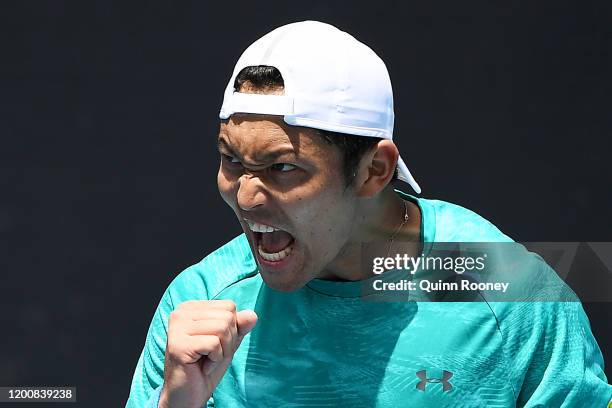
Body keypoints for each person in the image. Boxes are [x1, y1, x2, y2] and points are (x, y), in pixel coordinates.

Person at [126, 21, 611, 407]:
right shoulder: (197, 304)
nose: (246, 197)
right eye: (232, 160)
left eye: (283, 167)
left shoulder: (509, 293)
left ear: (374, 170)